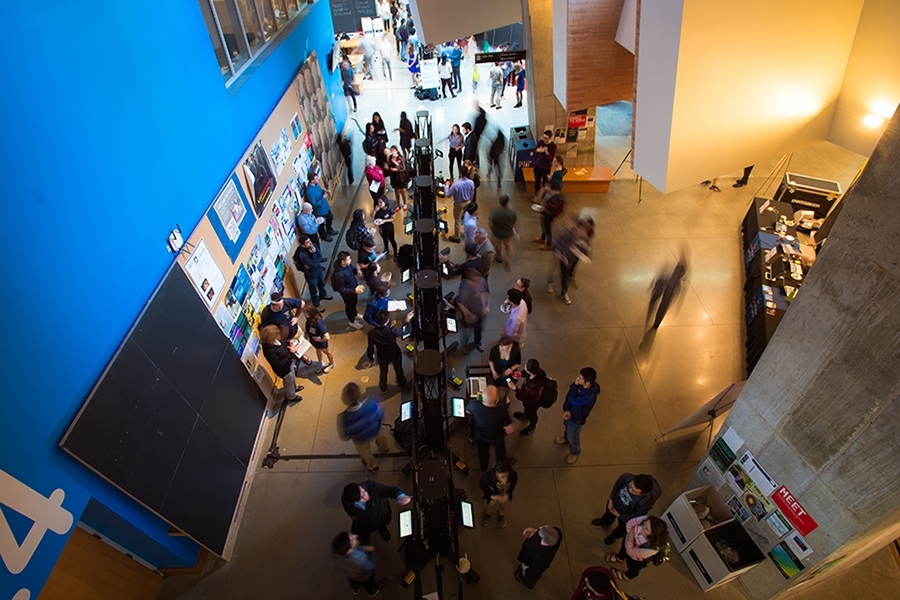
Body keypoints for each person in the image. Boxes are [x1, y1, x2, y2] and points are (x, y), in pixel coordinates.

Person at [591, 473, 662, 545]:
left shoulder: (644, 503)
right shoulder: (627, 477)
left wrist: (620, 516)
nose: (629, 489)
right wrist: (611, 499)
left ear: (642, 493)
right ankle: (606, 521)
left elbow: (635, 516)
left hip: (626, 516)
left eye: (634, 491)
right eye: (630, 486)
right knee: (608, 514)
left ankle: (614, 536)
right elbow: (617, 486)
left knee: (622, 528)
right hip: (615, 503)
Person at [337, 382, 389, 471]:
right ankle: (385, 449)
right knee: (381, 437)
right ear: (359, 394)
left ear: (345, 399)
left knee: (365, 453)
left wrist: (351, 435)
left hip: (361, 438)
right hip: (376, 429)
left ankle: (373, 466)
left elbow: (344, 436)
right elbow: (381, 416)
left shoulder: (344, 417)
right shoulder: (370, 404)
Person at [341, 480, 411, 544]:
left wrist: (400, 496)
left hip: (382, 517)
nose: (365, 497)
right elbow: (349, 510)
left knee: (381, 524)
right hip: (365, 524)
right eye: (361, 498)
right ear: (354, 501)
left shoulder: (373, 486)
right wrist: (352, 516)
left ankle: (382, 528)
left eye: (363, 492)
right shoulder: (346, 501)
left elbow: (389, 490)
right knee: (364, 534)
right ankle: (365, 540)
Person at [554, 367, 600, 464]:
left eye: (580, 378)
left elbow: (573, 400)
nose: (577, 379)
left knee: (573, 436)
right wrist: (567, 409)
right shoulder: (580, 385)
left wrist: (574, 386)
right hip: (569, 413)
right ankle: (566, 438)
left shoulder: (589, 397)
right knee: (567, 427)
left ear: (587, 383)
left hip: (576, 419)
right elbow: (569, 397)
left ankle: (575, 452)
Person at [466, 384, 514, 471]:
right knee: (500, 453)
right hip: (496, 437)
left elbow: (468, 411)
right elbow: (510, 430)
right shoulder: (501, 411)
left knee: (483, 451)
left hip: (480, 435)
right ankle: (501, 467)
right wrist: (504, 433)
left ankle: (484, 467)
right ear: (497, 400)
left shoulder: (474, 405)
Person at [605, 516, 668, 581]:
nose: (642, 527)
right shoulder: (648, 520)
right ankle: (620, 558)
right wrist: (630, 535)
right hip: (627, 542)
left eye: (646, 529)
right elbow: (630, 523)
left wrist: (631, 533)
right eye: (644, 524)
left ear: (653, 535)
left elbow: (631, 552)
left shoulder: (652, 549)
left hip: (635, 559)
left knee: (633, 568)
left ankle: (626, 576)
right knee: (623, 550)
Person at [548, 217, 594, 305]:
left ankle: (564, 291)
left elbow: (586, 250)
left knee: (566, 276)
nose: (582, 231)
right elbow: (558, 245)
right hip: (564, 258)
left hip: (572, 259)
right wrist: (563, 257)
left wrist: (583, 255)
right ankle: (550, 282)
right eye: (581, 228)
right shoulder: (569, 235)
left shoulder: (585, 238)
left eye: (586, 229)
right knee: (555, 270)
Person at [367, 310, 412, 393]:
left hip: (382, 355)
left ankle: (383, 387)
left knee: (383, 372)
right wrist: (407, 321)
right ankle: (401, 384)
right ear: (387, 321)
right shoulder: (392, 331)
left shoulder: (371, 333)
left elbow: (370, 347)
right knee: (398, 369)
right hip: (394, 353)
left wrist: (371, 358)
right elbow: (406, 331)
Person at [331, 532, 388, 597]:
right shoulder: (361, 558)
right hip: (364, 576)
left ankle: (355, 589)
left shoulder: (336, 554)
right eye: (352, 540)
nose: (356, 536)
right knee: (369, 584)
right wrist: (371, 552)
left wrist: (361, 548)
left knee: (353, 581)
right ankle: (372, 592)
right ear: (349, 550)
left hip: (350, 574)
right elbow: (371, 565)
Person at [259, 323, 306, 404]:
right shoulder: (269, 351)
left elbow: (282, 344)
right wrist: (290, 353)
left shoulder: (274, 341)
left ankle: (294, 388)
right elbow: (278, 364)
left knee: (292, 377)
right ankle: (291, 396)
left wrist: (289, 343)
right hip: (283, 370)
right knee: (288, 380)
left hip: (288, 363)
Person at [292, 235, 332, 308]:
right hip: (311, 275)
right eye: (307, 242)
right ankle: (316, 304)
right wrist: (314, 254)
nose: (310, 243)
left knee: (321, 284)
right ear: (303, 245)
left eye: (310, 241)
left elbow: (320, 256)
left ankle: (323, 294)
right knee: (313, 290)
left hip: (318, 270)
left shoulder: (313, 246)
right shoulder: (302, 254)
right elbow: (312, 264)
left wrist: (315, 260)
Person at [456, 268, 489, 352]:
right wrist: (468, 315)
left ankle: (478, 342)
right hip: (468, 312)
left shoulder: (481, 281)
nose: (478, 282)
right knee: (466, 331)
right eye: (474, 280)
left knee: (478, 329)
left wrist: (486, 306)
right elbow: (460, 302)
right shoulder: (464, 287)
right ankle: (464, 345)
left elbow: (486, 292)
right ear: (468, 281)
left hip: (479, 311)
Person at [479, 459, 517, 528]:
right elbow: (481, 485)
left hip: (504, 496)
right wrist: (492, 496)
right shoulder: (488, 476)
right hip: (491, 497)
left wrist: (507, 494)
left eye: (503, 477)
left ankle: (500, 514)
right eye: (498, 476)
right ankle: (487, 514)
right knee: (488, 506)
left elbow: (513, 485)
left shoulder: (513, 476)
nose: (500, 479)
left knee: (503, 506)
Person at [513, 358, 547, 436]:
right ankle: (525, 415)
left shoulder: (535, 387)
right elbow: (527, 373)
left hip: (533, 402)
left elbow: (526, 397)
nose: (524, 366)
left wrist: (514, 388)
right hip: (528, 401)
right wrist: (521, 374)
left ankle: (532, 425)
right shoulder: (539, 372)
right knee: (527, 409)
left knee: (532, 413)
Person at [332, 251, 365, 329]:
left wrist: (357, 271)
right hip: (348, 294)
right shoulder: (339, 274)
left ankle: (355, 314)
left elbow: (353, 270)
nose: (350, 260)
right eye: (348, 259)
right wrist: (353, 291)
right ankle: (352, 321)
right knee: (349, 306)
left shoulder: (347, 266)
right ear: (343, 262)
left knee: (354, 303)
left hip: (353, 289)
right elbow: (341, 289)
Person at [444, 164, 474, 242]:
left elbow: (448, 195)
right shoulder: (471, 182)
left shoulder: (456, 185)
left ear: (460, 173)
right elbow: (472, 192)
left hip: (459, 203)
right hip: (468, 202)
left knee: (457, 219)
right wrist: (470, 200)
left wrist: (446, 186)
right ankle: (469, 233)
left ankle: (457, 237)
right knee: (468, 217)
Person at [489, 335, 521, 406]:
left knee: (508, 386)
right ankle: (497, 396)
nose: (508, 350)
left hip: (510, 374)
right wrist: (493, 371)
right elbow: (491, 361)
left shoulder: (515, 351)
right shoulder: (495, 350)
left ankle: (506, 396)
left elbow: (518, 363)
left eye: (509, 347)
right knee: (497, 386)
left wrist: (511, 369)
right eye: (506, 348)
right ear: (501, 345)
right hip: (497, 372)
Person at [306, 173, 337, 241]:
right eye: (316, 178)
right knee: (321, 224)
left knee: (330, 217)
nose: (318, 179)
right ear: (312, 180)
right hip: (319, 210)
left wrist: (324, 191)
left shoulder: (316, 185)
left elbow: (320, 191)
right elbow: (314, 204)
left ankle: (329, 229)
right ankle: (324, 236)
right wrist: (323, 198)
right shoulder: (310, 192)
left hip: (325, 206)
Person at [304, 304, 334, 374]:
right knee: (318, 350)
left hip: (321, 343)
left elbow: (327, 337)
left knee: (328, 352)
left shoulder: (318, 322)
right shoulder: (309, 319)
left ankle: (332, 363)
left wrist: (319, 339)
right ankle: (320, 362)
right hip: (313, 341)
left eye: (305, 313)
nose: (304, 314)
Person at [489, 194, 517, 266]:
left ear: (499, 202)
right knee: (508, 246)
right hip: (508, 232)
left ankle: (499, 256)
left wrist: (492, 230)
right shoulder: (512, 212)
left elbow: (491, 224)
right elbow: (514, 222)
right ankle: (509, 260)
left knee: (498, 246)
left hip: (497, 233)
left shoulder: (495, 213)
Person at [387, 146, 409, 210]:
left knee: (403, 191)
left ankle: (405, 204)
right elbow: (390, 167)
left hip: (401, 177)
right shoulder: (390, 157)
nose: (392, 152)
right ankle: (398, 204)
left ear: (396, 151)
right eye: (391, 151)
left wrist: (395, 163)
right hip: (394, 177)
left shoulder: (400, 158)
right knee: (396, 191)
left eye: (393, 150)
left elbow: (403, 168)